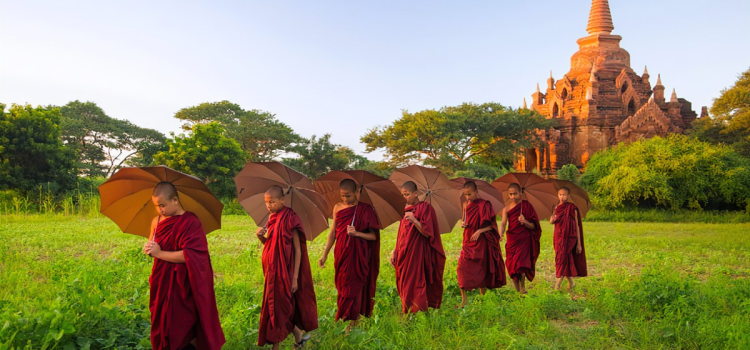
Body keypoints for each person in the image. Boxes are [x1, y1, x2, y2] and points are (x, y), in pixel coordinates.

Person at [143, 182, 225, 350]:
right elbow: (153, 243)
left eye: (163, 205)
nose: (160, 210)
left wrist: (159, 253)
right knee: (163, 322)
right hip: (162, 279)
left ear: (175, 200)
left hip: (184, 282)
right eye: (157, 206)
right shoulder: (156, 221)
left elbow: (190, 255)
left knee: (184, 323)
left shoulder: (191, 222)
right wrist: (149, 248)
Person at [256, 185, 318, 349]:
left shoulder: (291, 218)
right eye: (267, 202)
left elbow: (298, 250)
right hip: (272, 271)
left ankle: (276, 346)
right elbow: (272, 245)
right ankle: (298, 337)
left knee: (280, 307)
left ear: (283, 200)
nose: (269, 205)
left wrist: (295, 278)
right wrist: (260, 237)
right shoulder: (272, 218)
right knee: (275, 306)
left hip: (286, 272)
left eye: (272, 202)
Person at [318, 179, 380, 331]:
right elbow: (333, 232)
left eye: (349, 196)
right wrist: (324, 254)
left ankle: (354, 321)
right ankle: (347, 316)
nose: (345, 199)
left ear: (357, 192)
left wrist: (357, 233)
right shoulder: (338, 207)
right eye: (343, 196)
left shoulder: (366, 210)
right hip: (341, 252)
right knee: (343, 284)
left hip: (358, 254)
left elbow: (373, 237)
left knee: (355, 285)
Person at [390, 181, 446, 313]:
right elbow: (401, 234)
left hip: (418, 253)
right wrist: (395, 250)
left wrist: (415, 220)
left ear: (416, 193)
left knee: (415, 282)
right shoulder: (404, 210)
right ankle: (407, 309)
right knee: (404, 281)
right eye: (403, 195)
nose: (405, 197)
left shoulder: (426, 208)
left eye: (407, 194)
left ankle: (416, 310)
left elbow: (428, 233)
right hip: (404, 251)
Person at [456, 181, 506, 308]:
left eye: (469, 194)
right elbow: (463, 219)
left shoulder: (485, 205)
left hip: (481, 241)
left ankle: (482, 297)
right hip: (468, 240)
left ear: (476, 192)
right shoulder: (465, 204)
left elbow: (491, 226)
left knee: (481, 268)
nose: (468, 197)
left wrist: (480, 230)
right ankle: (464, 300)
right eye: (465, 194)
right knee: (462, 267)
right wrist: (462, 223)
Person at [499, 183, 541, 294]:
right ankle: (517, 290)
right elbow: (503, 223)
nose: (513, 196)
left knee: (521, 264)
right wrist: (500, 234)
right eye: (511, 194)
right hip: (512, 239)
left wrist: (525, 222)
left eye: (515, 193)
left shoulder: (527, 206)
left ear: (521, 193)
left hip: (524, 239)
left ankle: (523, 287)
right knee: (512, 265)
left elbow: (534, 226)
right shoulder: (506, 209)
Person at [550, 187, 587, 292]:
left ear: (568, 196)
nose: (562, 197)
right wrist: (553, 218)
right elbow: (551, 221)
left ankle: (557, 285)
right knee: (563, 259)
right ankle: (571, 283)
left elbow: (577, 226)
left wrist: (579, 243)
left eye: (564, 195)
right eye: (560, 194)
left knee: (563, 259)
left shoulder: (572, 208)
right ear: (558, 195)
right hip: (558, 237)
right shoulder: (556, 207)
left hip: (570, 238)